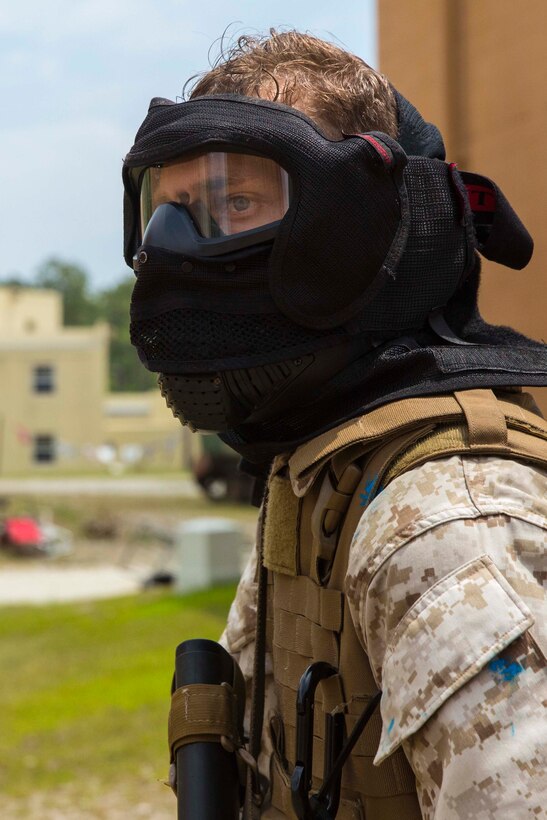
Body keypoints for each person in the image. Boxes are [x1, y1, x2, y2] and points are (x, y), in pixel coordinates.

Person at [123, 31, 547, 819]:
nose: (173, 251)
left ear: (360, 226)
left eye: (234, 203)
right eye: (170, 212)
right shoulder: (319, 471)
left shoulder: (447, 525)